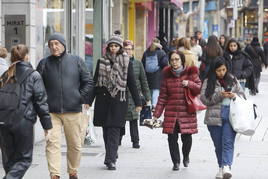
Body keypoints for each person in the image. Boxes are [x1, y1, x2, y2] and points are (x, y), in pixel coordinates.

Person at [37, 33, 93, 179]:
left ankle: (73, 171)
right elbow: (36, 86)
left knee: (75, 145)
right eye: (51, 44)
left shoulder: (76, 61)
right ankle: (54, 174)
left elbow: (88, 81)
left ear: (63, 44)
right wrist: (42, 102)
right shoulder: (44, 63)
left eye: (56, 43)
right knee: (52, 144)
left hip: (73, 111)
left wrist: (79, 97)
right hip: (51, 112)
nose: (54, 47)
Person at [88, 35, 142, 170]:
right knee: (106, 130)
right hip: (103, 100)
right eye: (111, 46)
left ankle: (110, 160)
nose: (113, 48)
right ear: (108, 47)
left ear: (120, 48)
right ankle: (112, 153)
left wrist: (138, 102)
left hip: (119, 100)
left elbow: (132, 83)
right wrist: (88, 101)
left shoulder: (126, 61)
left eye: (116, 46)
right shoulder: (101, 61)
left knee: (114, 129)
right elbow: (95, 82)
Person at [0, 44, 52, 178]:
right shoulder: (34, 75)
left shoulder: (5, 75)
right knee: (24, 159)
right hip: (23, 122)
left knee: (9, 160)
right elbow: (41, 102)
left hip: (4, 121)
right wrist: (47, 126)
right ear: (27, 56)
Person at [153, 50, 201, 171]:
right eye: (172, 60)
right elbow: (163, 97)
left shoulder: (191, 74)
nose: (174, 62)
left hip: (187, 112)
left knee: (187, 138)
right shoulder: (167, 76)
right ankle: (176, 162)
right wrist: (156, 114)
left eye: (177, 59)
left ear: (182, 61)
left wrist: (189, 84)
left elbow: (199, 88)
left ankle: (186, 156)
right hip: (171, 113)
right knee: (171, 138)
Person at [200, 57, 244, 179]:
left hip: (231, 116)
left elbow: (242, 95)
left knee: (228, 143)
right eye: (218, 70)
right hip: (214, 118)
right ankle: (221, 167)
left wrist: (234, 95)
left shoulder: (232, 79)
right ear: (214, 70)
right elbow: (204, 99)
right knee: (218, 145)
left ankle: (226, 167)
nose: (221, 72)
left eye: (224, 69)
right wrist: (219, 95)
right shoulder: (208, 81)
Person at [119, 40, 151, 149]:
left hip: (134, 96)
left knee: (133, 119)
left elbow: (144, 81)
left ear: (132, 50)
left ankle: (135, 141)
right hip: (122, 94)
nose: (127, 51)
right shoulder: (119, 62)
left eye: (129, 49)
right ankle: (118, 139)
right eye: (125, 49)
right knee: (120, 119)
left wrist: (147, 98)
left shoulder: (138, 64)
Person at [141, 37, 168, 110]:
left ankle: (148, 104)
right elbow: (165, 63)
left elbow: (142, 63)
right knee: (156, 90)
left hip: (147, 75)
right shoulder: (161, 52)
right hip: (157, 75)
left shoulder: (146, 52)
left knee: (149, 90)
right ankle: (154, 105)